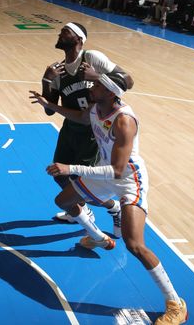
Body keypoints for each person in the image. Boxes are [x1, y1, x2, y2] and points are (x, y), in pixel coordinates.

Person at [30, 72, 188, 325]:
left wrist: (71, 168)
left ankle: (176, 304)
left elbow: (117, 170)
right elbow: (81, 116)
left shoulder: (124, 121)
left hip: (128, 179)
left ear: (112, 92)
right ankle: (98, 238)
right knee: (63, 202)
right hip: (104, 173)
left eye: (98, 85)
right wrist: (51, 106)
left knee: (134, 244)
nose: (92, 87)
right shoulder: (96, 107)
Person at [41, 22, 133, 231]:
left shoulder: (92, 58)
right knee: (60, 175)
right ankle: (95, 209)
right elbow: (49, 111)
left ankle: (107, 209)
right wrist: (46, 80)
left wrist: (99, 77)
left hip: (93, 133)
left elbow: (128, 81)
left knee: (81, 186)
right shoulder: (57, 70)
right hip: (70, 130)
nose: (60, 34)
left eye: (66, 32)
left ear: (79, 40)